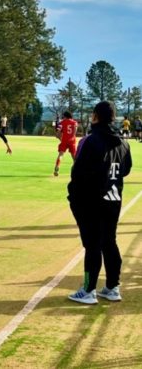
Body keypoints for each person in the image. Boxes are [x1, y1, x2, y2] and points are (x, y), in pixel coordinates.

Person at [67, 101, 132, 304]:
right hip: (113, 199)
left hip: (91, 201)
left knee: (92, 245)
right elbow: (126, 169)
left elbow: (77, 173)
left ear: (95, 116)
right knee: (109, 242)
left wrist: (74, 197)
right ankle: (112, 287)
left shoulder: (90, 140)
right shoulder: (123, 143)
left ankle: (88, 290)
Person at [54, 111, 77, 176]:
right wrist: (72, 137)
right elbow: (75, 130)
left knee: (61, 155)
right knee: (74, 157)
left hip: (64, 140)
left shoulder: (62, 122)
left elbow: (57, 134)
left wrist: (61, 139)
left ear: (65, 116)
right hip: (72, 141)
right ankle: (76, 170)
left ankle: (57, 167)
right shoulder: (74, 122)